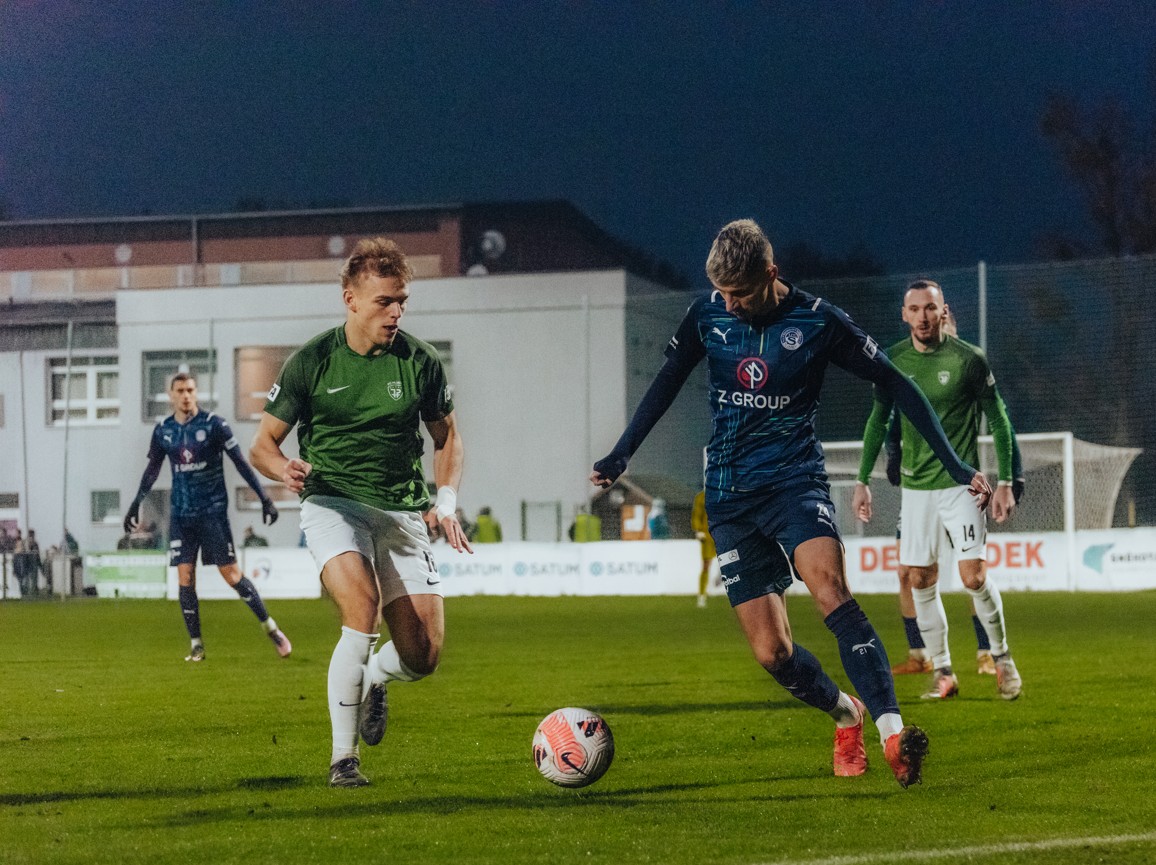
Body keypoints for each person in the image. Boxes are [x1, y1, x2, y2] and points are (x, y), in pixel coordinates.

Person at [591, 219, 992, 788]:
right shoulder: (708, 316)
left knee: (830, 589)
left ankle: (893, 732)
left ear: (771, 274)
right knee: (772, 653)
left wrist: (955, 466)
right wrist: (621, 453)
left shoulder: (819, 321)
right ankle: (846, 715)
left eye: (742, 294)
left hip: (795, 484)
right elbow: (666, 382)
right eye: (723, 294)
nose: (730, 305)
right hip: (730, 497)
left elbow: (900, 384)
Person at [250, 236, 472, 788]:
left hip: (401, 510)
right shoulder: (312, 361)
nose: (395, 312)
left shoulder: (420, 362)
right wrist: (283, 471)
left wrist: (444, 502)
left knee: (424, 656)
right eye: (383, 302)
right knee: (362, 606)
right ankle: (343, 758)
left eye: (401, 301)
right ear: (350, 299)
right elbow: (261, 447)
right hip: (332, 503)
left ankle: (374, 676)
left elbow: (448, 440)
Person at [852, 279, 1023, 701]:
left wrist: (1006, 482)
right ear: (904, 315)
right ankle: (943, 671)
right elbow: (878, 420)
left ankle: (1002, 659)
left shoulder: (969, 360)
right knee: (919, 579)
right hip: (915, 490)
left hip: (961, 487)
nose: (924, 316)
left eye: (931, 308)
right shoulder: (890, 360)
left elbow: (999, 420)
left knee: (974, 576)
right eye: (915, 309)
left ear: (943, 311)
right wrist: (861, 481)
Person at [124, 371, 291, 663]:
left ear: (196, 393)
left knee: (233, 577)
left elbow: (241, 463)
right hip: (181, 516)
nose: (186, 395)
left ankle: (271, 628)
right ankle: (196, 644)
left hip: (212, 513)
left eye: (190, 390)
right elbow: (152, 470)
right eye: (180, 390)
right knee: (185, 578)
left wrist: (265, 499)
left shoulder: (215, 425)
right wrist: (135, 504)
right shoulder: (163, 430)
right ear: (171, 395)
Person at [690, 489, 717, 608]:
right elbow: (697, 514)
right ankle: (702, 595)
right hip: (708, 536)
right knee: (706, 565)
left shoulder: (726, 493)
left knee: (732, 562)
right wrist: (698, 530)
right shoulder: (701, 497)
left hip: (724, 534)